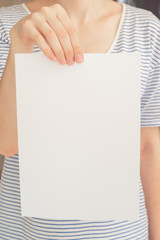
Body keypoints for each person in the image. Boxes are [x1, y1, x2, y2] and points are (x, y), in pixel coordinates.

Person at [0, 0, 160, 239]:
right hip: (30, 232)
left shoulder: (146, 29)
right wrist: (20, 43)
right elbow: (6, 143)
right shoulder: (7, 26)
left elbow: (147, 145)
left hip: (124, 232)